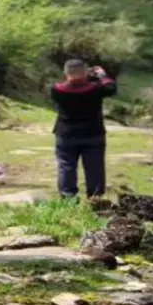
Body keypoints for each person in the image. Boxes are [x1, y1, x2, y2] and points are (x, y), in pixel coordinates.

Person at [50, 59, 117, 200]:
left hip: (66, 133)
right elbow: (111, 87)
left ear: (66, 73)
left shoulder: (56, 90)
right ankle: (95, 199)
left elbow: (71, 86)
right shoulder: (96, 89)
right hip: (93, 133)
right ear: (85, 72)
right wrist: (101, 75)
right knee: (95, 167)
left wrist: (87, 78)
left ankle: (68, 198)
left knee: (66, 166)